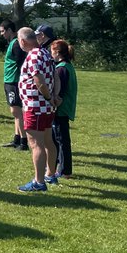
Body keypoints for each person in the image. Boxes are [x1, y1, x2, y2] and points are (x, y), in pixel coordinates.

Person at [17, 27, 58, 192]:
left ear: (22, 41)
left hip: (35, 106)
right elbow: (55, 76)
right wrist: (54, 97)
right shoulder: (45, 52)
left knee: (36, 144)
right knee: (48, 141)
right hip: (46, 106)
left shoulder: (33, 55)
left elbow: (39, 80)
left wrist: (48, 97)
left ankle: (39, 182)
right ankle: (50, 174)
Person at [48, 39, 78, 180]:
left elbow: (59, 91)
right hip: (65, 108)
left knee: (61, 140)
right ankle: (60, 168)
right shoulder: (68, 66)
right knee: (60, 139)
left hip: (61, 109)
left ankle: (65, 171)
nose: (50, 54)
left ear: (57, 52)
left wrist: (53, 102)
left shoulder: (61, 69)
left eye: (52, 51)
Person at [0, 19, 28, 150]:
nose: (1, 34)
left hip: (14, 81)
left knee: (16, 111)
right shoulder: (12, 43)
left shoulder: (16, 44)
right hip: (9, 81)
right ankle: (17, 139)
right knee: (15, 112)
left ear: (10, 30)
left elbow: (22, 63)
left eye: (3, 31)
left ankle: (24, 141)